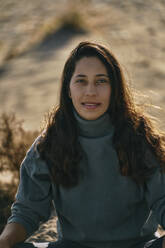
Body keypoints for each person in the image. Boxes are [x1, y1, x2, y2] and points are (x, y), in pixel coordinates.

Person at [0, 41, 165, 248]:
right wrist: (5, 241)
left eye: (101, 81)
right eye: (81, 81)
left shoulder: (140, 139)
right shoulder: (49, 144)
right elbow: (27, 210)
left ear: (115, 89)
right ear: (68, 89)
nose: (90, 91)